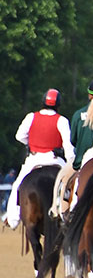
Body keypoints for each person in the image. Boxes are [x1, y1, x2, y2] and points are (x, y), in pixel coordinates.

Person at [4, 89, 73, 229]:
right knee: (68, 187)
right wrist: (71, 160)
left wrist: (31, 143)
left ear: (43, 102)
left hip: (34, 159)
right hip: (55, 159)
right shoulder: (62, 120)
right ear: (58, 104)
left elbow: (19, 136)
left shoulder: (31, 117)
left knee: (17, 186)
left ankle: (12, 219)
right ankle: (69, 215)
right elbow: (68, 145)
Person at [51, 78, 93, 219]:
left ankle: (61, 211)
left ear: (89, 95)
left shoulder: (78, 114)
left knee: (63, 182)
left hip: (83, 159)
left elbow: (73, 141)